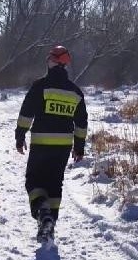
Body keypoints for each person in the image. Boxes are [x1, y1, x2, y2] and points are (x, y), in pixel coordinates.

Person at [15, 45, 88, 243]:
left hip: (41, 143)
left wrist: (20, 136)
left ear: (54, 62)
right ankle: (50, 225)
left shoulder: (40, 86)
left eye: (49, 59)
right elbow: (81, 123)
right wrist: (79, 147)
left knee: (33, 181)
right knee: (55, 184)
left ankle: (43, 212)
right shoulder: (75, 92)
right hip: (63, 147)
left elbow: (26, 113)